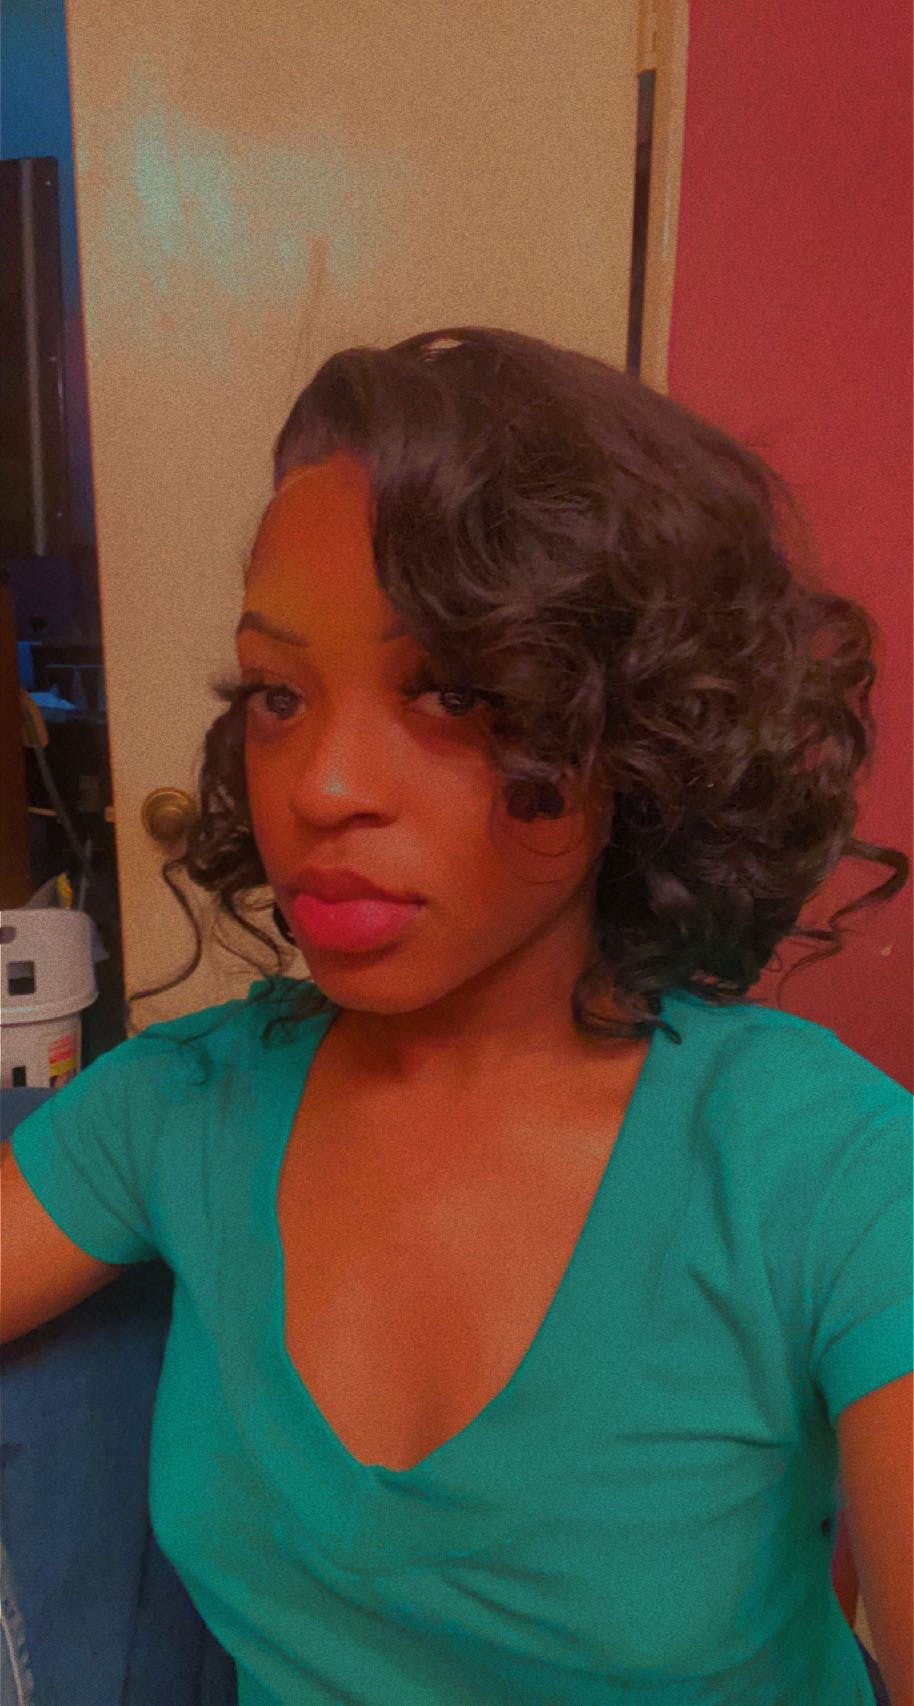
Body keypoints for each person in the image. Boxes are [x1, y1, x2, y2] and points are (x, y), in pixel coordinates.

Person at [2, 326, 911, 1705]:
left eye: (454, 691)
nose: (319, 786)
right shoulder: (181, 1106)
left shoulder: (827, 1169)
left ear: (633, 733)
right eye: (278, 694)